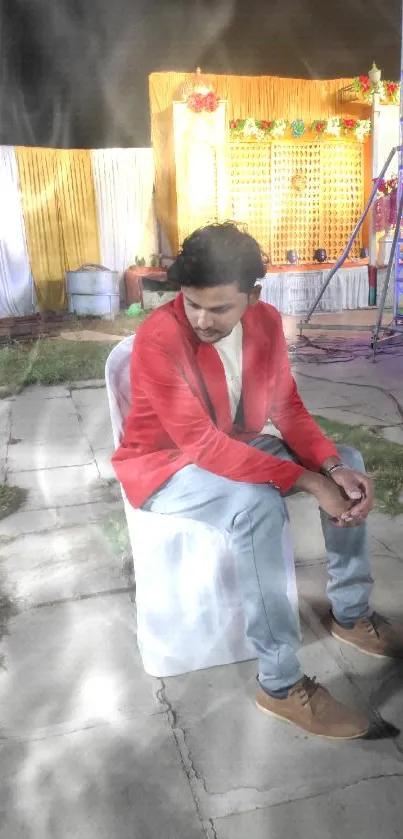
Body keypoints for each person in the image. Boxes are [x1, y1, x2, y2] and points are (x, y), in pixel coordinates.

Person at [112, 222, 403, 740]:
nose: (201, 319)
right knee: (258, 506)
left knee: (349, 456)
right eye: (192, 303)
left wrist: (332, 469)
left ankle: (351, 613)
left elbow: (287, 409)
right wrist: (310, 483)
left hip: (234, 442)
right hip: (165, 465)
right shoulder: (157, 337)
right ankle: (280, 684)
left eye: (219, 308)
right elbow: (200, 446)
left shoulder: (266, 323)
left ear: (254, 296)